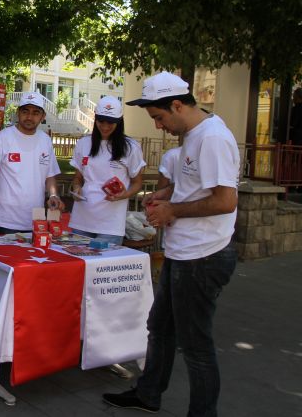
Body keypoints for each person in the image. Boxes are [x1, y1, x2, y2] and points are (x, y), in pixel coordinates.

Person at [103, 72, 239, 417]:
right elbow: (193, 188)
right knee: (160, 326)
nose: (159, 126)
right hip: (185, 253)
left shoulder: (213, 138)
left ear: (177, 105)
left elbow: (225, 201)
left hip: (204, 256)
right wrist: (161, 196)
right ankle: (149, 394)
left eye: (159, 118)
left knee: (196, 345)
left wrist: (172, 210)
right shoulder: (193, 136)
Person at [69, 96, 146, 245]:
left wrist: (125, 194)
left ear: (120, 121)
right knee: (78, 264)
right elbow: (78, 177)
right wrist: (77, 188)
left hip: (110, 225)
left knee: (103, 266)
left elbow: (137, 183)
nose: (105, 126)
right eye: (101, 121)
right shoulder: (84, 144)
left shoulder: (131, 147)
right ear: (95, 119)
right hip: (82, 219)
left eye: (110, 122)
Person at [0, 91, 64, 234]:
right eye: (25, 111)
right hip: (5, 221)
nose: (29, 117)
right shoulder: (2, 138)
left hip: (36, 221)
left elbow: (50, 175)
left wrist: (53, 195)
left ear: (43, 116)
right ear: (18, 112)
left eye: (35, 112)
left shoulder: (45, 141)